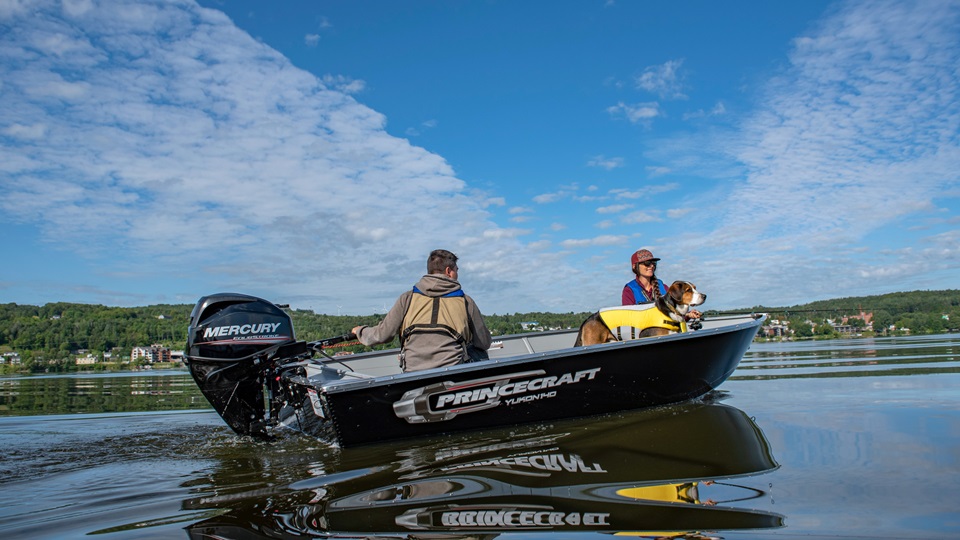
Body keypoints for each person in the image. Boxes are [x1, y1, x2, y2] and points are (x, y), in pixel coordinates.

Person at [351, 249, 492, 372]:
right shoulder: (465, 301)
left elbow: (382, 335)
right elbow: (484, 343)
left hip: (413, 371)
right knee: (479, 353)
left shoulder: (407, 298)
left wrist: (360, 331)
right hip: (453, 370)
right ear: (449, 272)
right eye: (456, 270)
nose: (457, 274)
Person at [622, 248, 702, 319]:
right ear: (634, 266)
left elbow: (675, 313)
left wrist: (688, 315)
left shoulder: (663, 287)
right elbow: (628, 317)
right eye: (647, 263)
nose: (652, 266)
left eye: (654, 263)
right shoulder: (629, 290)